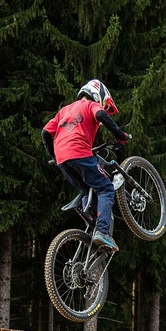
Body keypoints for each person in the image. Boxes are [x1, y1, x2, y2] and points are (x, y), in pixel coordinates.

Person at [42, 79, 131, 252]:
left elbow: (45, 132)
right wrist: (120, 135)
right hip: (80, 152)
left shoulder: (64, 110)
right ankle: (102, 232)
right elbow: (101, 116)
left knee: (86, 189)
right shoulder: (90, 105)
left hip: (62, 159)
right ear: (97, 95)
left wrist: (55, 156)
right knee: (105, 188)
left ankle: (91, 220)